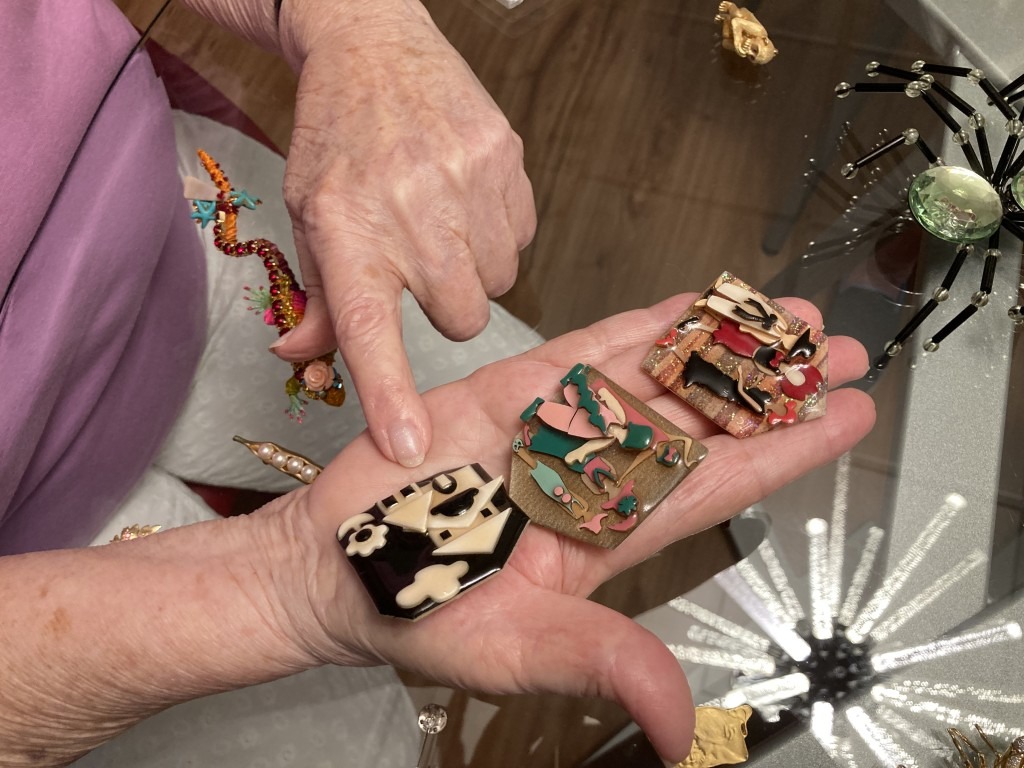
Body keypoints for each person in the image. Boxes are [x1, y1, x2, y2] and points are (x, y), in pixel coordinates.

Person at [0, 0, 876, 764]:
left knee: (519, 383)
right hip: (42, 565)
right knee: (379, 750)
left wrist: (356, 23)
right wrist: (281, 587)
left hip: (172, 229)